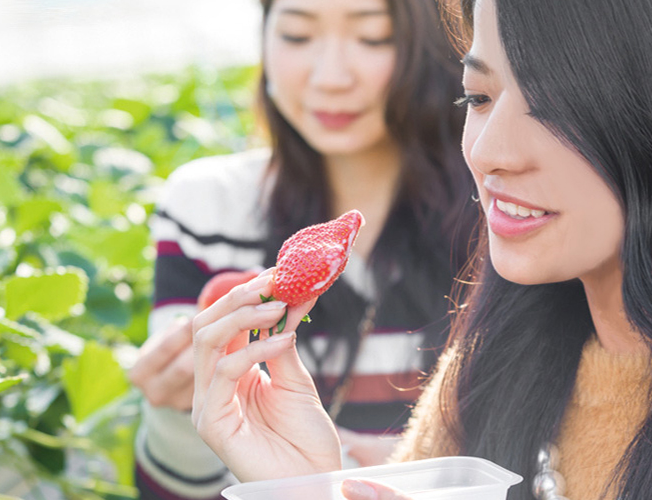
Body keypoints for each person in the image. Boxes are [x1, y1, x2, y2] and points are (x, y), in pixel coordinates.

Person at [190, 0, 652, 499]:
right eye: (479, 97)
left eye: (556, 105)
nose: (490, 152)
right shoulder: (501, 357)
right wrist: (311, 487)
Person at [128, 0, 476, 497]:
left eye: (373, 37)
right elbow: (174, 491)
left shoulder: (496, 210)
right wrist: (176, 414)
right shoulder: (208, 210)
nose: (330, 78)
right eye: (296, 35)